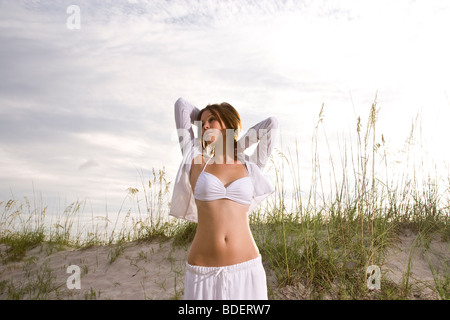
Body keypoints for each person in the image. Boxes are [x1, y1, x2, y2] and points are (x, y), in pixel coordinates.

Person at [170, 97, 278, 300]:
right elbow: (181, 106)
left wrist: (234, 145)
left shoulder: (249, 166)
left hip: (247, 270)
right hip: (203, 274)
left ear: (228, 124)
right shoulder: (195, 159)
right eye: (202, 124)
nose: (205, 126)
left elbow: (271, 124)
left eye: (212, 120)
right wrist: (205, 118)